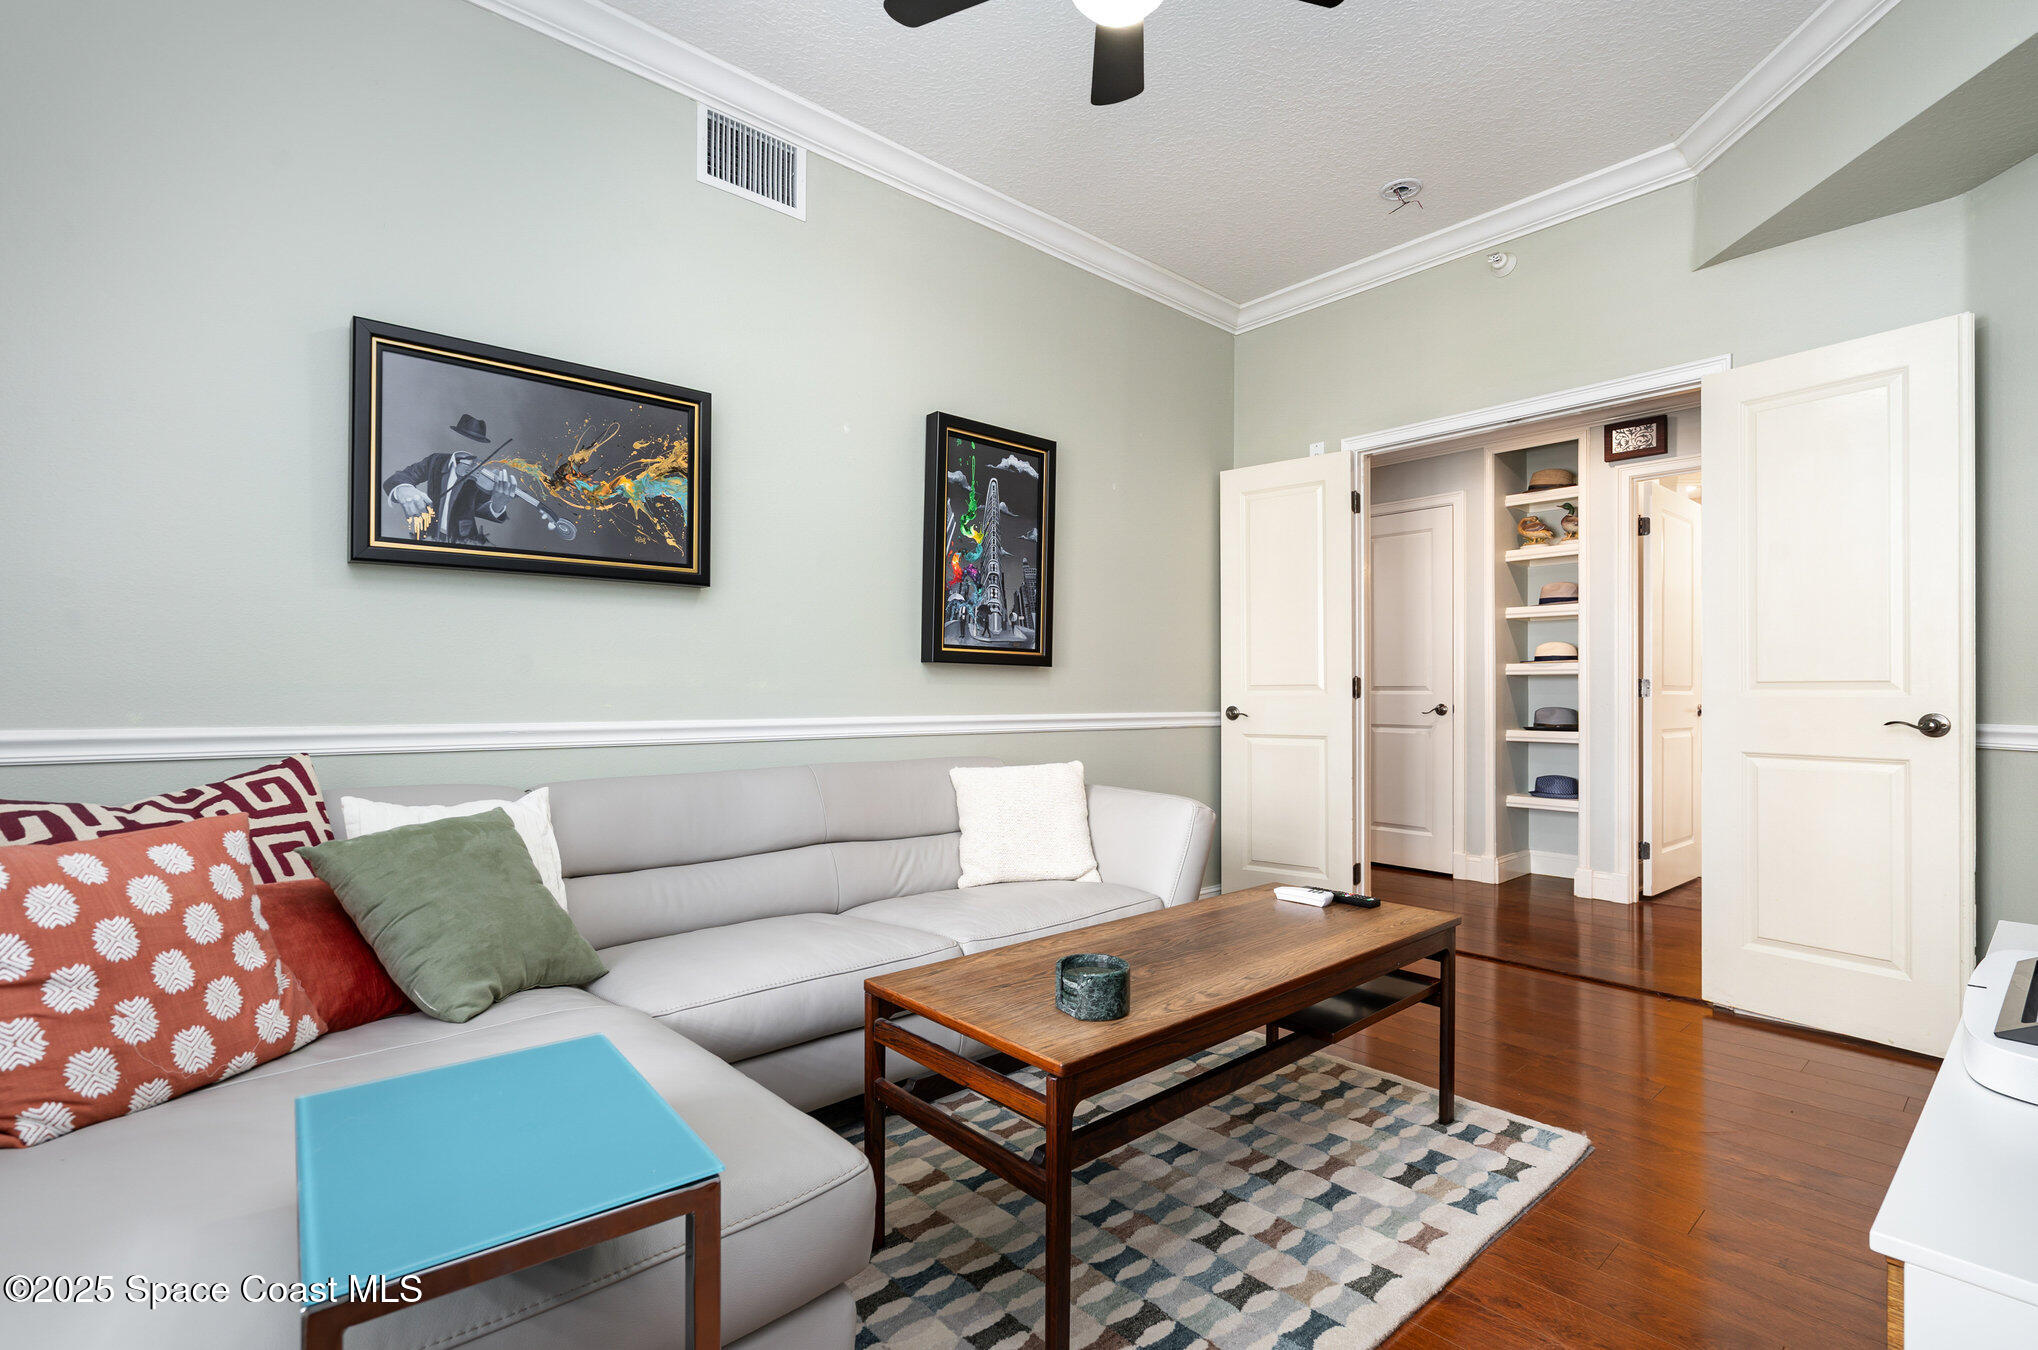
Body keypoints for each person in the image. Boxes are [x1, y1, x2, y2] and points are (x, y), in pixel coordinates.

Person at [382, 414, 516, 545]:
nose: (469, 444)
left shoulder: (482, 472)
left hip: (463, 539)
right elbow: (401, 476)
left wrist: (498, 504)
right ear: (456, 437)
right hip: (430, 533)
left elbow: (480, 508)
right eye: (465, 437)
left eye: (474, 440)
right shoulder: (436, 460)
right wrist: (403, 489)